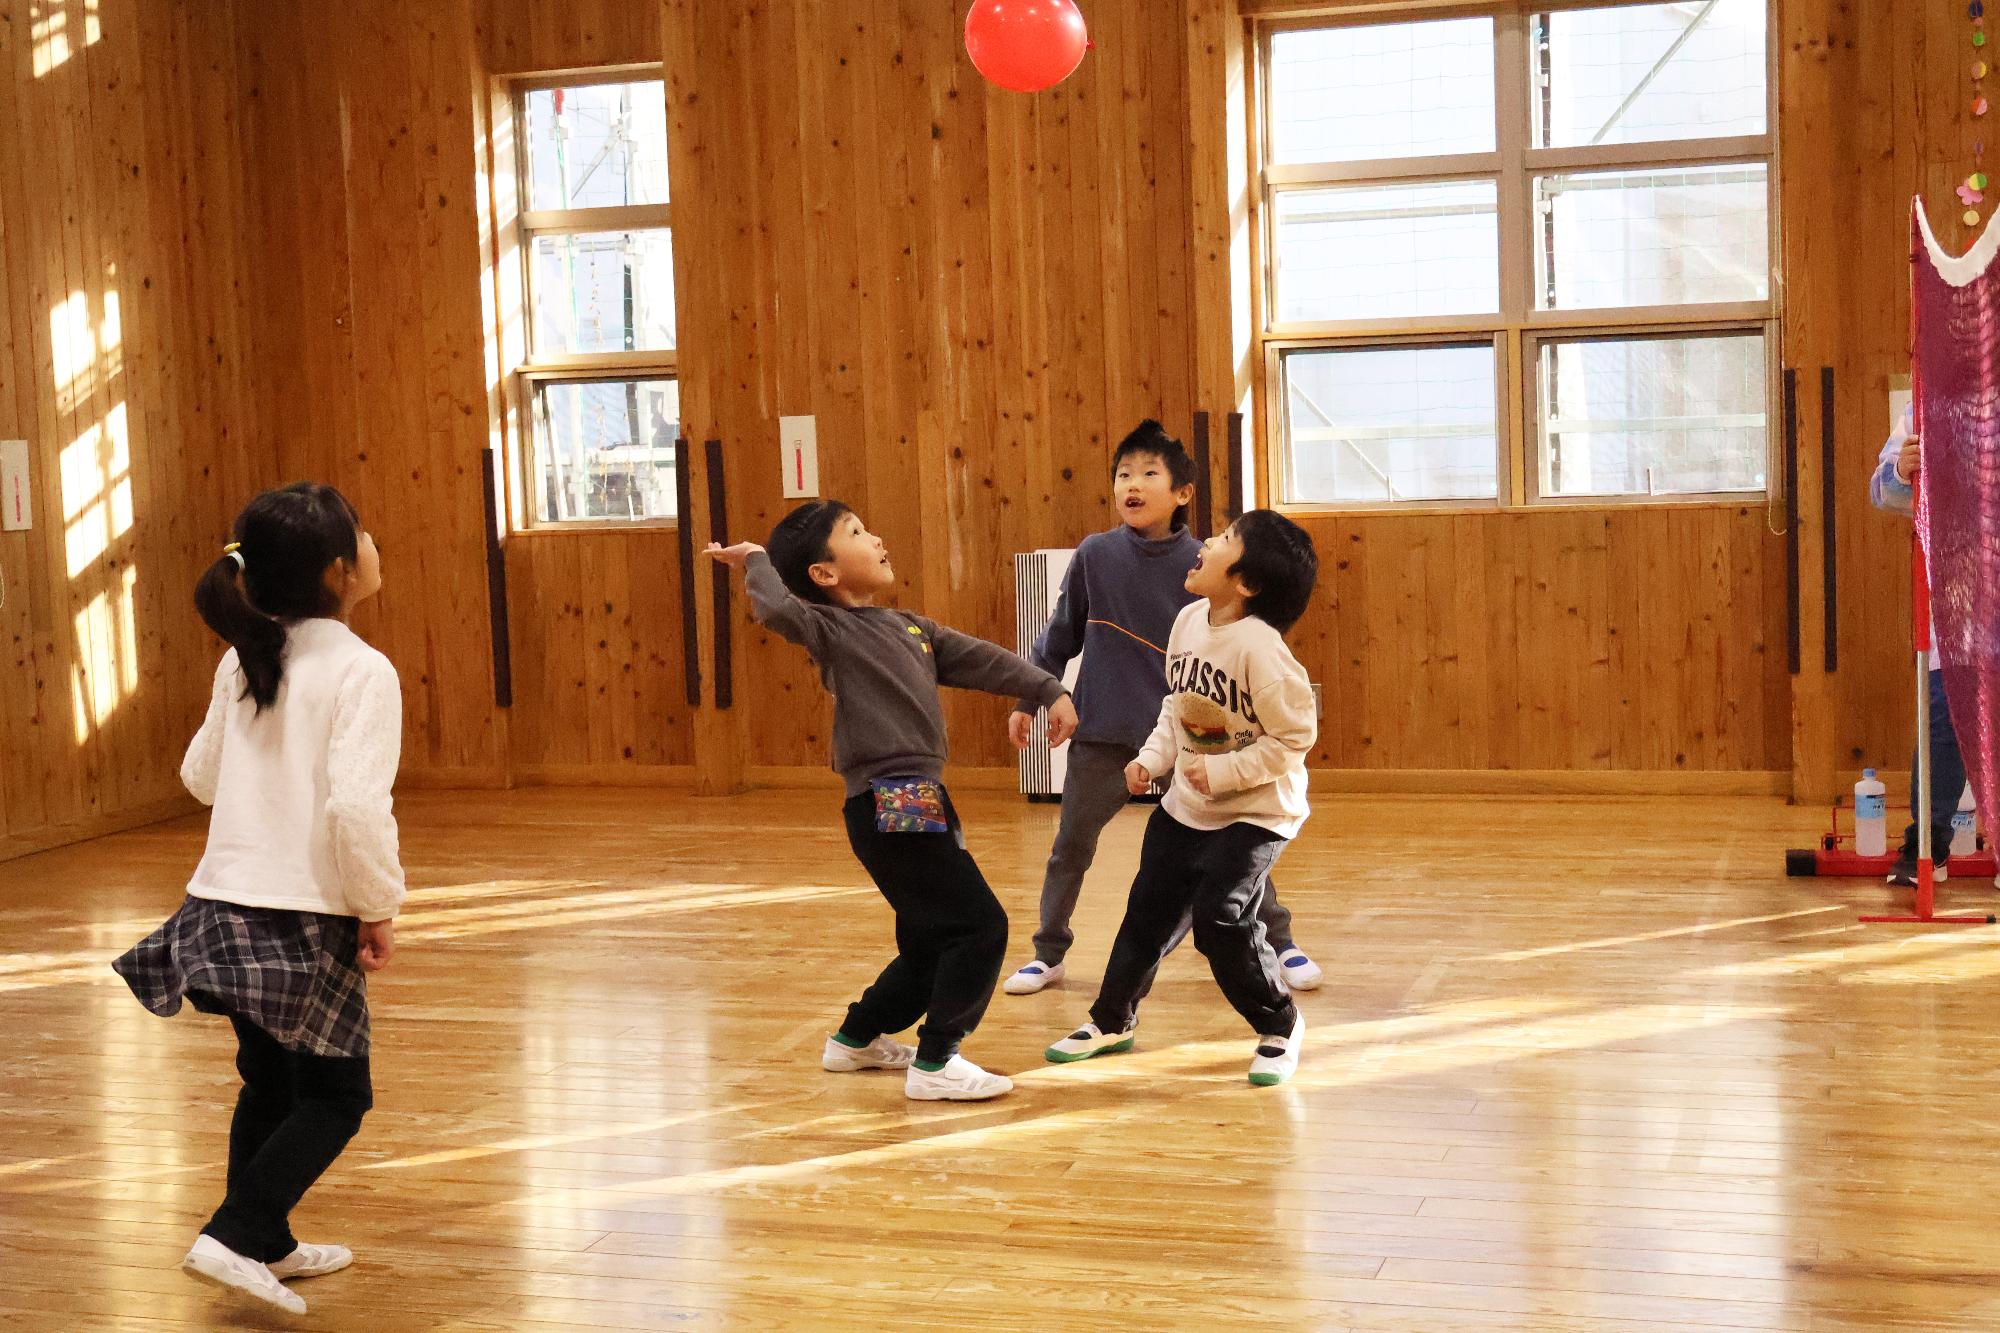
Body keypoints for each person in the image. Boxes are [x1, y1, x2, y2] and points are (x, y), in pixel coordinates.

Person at [112, 483, 404, 1317]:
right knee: (338, 1095)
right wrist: (377, 903)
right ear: (340, 571)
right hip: (301, 916)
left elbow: (199, 777)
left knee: (270, 1082)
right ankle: (234, 1233)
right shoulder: (363, 669)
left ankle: (267, 1239)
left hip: (218, 905)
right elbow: (356, 807)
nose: (372, 542)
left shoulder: (244, 655)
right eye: (362, 533)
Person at [707, 501, 1077, 1101]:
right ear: (825, 573)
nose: (876, 538)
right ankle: (937, 1062)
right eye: (856, 532)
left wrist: (1048, 689)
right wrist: (755, 559)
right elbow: (776, 608)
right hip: (893, 796)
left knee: (930, 942)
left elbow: (983, 659)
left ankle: (855, 1039)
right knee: (979, 927)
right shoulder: (828, 628)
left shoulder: (910, 628)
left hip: (916, 794)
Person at [1001, 421, 1319, 997]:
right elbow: (1058, 636)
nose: (1133, 483)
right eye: (1124, 473)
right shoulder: (1095, 555)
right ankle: (1048, 952)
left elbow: (1247, 647)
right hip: (1105, 732)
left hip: (1189, 740)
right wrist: (1033, 695)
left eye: (1149, 473)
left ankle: (1280, 939)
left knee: (1229, 841)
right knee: (1070, 846)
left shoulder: (1208, 567)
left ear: (1182, 493)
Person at [1044, 511, 1320, 1087]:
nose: (1207, 542)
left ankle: (1280, 1022)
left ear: (1246, 583)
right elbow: (1178, 705)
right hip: (1187, 807)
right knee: (1146, 913)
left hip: (1257, 814)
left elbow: (1294, 739)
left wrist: (1223, 773)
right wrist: (1152, 760)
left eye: (1226, 539)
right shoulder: (1190, 619)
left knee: (1221, 919)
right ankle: (1111, 1020)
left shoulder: (1262, 650)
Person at [1870, 403, 1967, 886]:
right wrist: (1901, 471)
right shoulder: (1930, 404)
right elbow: (1881, 492)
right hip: (1957, 598)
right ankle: (1928, 844)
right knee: (1942, 723)